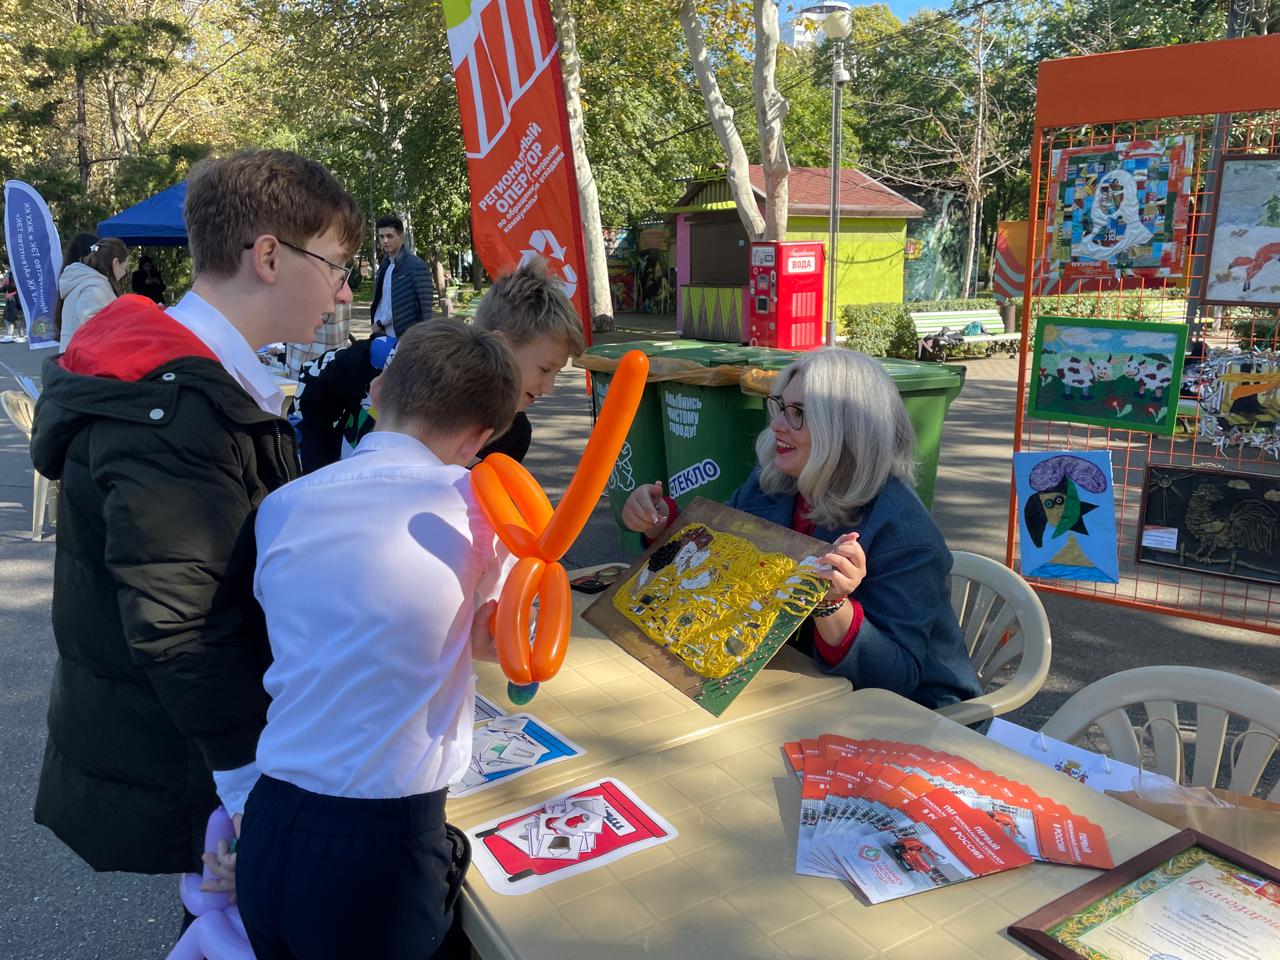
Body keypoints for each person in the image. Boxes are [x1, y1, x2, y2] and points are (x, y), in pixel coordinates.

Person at [29, 151, 361, 894]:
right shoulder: (175, 404)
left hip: (186, 736)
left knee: (221, 915)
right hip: (195, 755)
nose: (343, 290)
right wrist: (251, 794)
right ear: (269, 257)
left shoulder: (185, 375)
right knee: (228, 917)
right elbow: (183, 625)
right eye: (336, 265)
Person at [236, 321, 521, 959]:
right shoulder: (479, 510)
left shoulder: (283, 505)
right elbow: (495, 642)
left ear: (377, 390)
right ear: (480, 438)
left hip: (272, 816)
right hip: (382, 844)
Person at [621, 348, 982, 711]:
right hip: (794, 685)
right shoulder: (772, 483)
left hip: (917, 714)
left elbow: (896, 679)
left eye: (799, 414)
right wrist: (663, 526)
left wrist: (832, 604)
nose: (777, 424)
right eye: (781, 407)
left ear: (847, 431)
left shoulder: (904, 531)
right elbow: (718, 561)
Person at [297, 257, 584, 472]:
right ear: (501, 346)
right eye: (545, 370)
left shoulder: (513, 435)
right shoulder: (386, 361)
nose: (550, 387)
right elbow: (312, 395)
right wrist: (320, 475)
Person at [55, 236, 129, 350]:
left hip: (75, 353)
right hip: (84, 356)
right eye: (124, 268)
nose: (124, 273)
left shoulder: (84, 280)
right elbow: (93, 324)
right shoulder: (94, 287)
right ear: (115, 263)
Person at [369, 214, 433, 338]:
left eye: (390, 236)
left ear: (401, 237)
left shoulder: (416, 265)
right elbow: (383, 302)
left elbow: (425, 308)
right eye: (381, 236)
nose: (385, 241)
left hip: (406, 337)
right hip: (382, 335)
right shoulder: (385, 265)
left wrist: (423, 339)